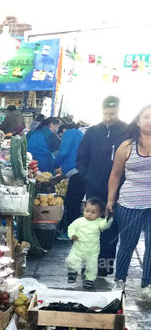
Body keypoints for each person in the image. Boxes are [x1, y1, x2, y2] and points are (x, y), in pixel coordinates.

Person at [78, 95, 128, 276]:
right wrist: (86, 177)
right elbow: (82, 157)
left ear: (118, 111)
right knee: (90, 228)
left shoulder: (127, 131)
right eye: (106, 113)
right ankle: (88, 264)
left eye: (112, 113)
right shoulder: (92, 132)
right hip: (94, 187)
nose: (108, 117)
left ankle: (104, 267)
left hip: (118, 190)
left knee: (110, 229)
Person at [108, 104, 151, 296]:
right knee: (127, 243)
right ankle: (120, 279)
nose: (150, 121)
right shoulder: (127, 146)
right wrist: (110, 200)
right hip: (129, 204)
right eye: (146, 117)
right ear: (138, 121)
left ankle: (147, 285)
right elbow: (115, 175)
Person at [66, 199, 112, 289]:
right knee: (71, 260)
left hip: (93, 250)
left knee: (92, 266)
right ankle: (72, 272)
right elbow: (71, 228)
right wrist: (72, 235)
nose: (89, 214)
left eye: (93, 212)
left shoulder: (99, 222)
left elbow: (105, 225)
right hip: (78, 248)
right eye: (87, 211)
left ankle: (89, 279)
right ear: (84, 209)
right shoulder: (79, 221)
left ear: (99, 214)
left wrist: (109, 218)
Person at [54, 123, 86, 234]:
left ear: (63, 129)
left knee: (72, 203)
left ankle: (71, 231)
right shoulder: (80, 133)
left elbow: (64, 152)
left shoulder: (70, 133)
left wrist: (54, 164)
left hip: (76, 171)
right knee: (75, 203)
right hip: (82, 171)